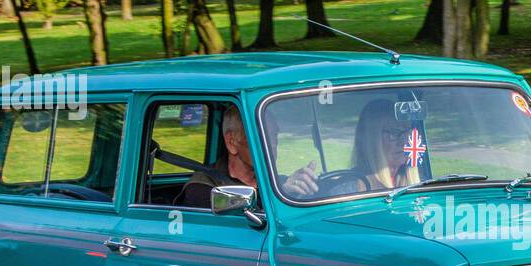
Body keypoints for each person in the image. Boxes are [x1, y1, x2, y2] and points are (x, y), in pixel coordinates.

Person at [180, 107, 318, 208]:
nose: (272, 145)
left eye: (274, 136)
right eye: (261, 137)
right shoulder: (202, 187)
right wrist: (284, 193)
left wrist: (304, 185)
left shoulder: (276, 182)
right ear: (231, 142)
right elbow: (240, 226)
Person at [349, 98, 420, 191]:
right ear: (372, 140)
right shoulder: (352, 187)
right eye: (394, 132)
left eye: (406, 131)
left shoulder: (418, 182)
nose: (403, 141)